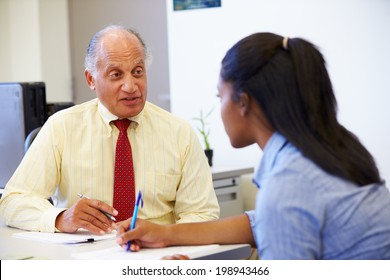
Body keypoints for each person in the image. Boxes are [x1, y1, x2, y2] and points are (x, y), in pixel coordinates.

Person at [116, 32, 390, 259]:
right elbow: (257, 224)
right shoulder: (322, 152)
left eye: (219, 96)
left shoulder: (288, 184)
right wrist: (164, 234)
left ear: (243, 102)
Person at [0, 25, 219, 234]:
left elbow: (203, 214)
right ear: (91, 79)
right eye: (116, 75)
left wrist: (164, 235)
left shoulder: (179, 133)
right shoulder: (62, 127)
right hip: (84, 258)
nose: (131, 86)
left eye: (137, 71)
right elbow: (13, 201)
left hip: (155, 257)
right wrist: (60, 218)